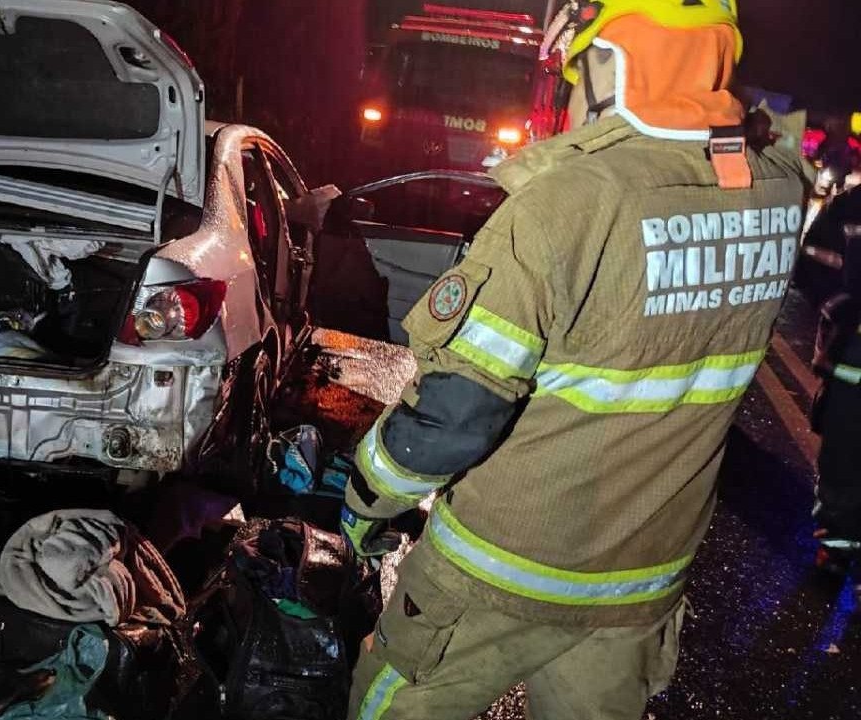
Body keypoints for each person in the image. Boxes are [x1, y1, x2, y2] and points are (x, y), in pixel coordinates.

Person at [340, 2, 810, 718]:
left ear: (615, 65)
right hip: (641, 584)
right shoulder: (777, 193)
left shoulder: (563, 206)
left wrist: (365, 500)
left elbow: (456, 415)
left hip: (500, 572)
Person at [809, 186, 861, 575]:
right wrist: (840, 305)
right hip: (853, 359)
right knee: (843, 453)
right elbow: (814, 259)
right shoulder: (852, 205)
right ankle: (838, 545)